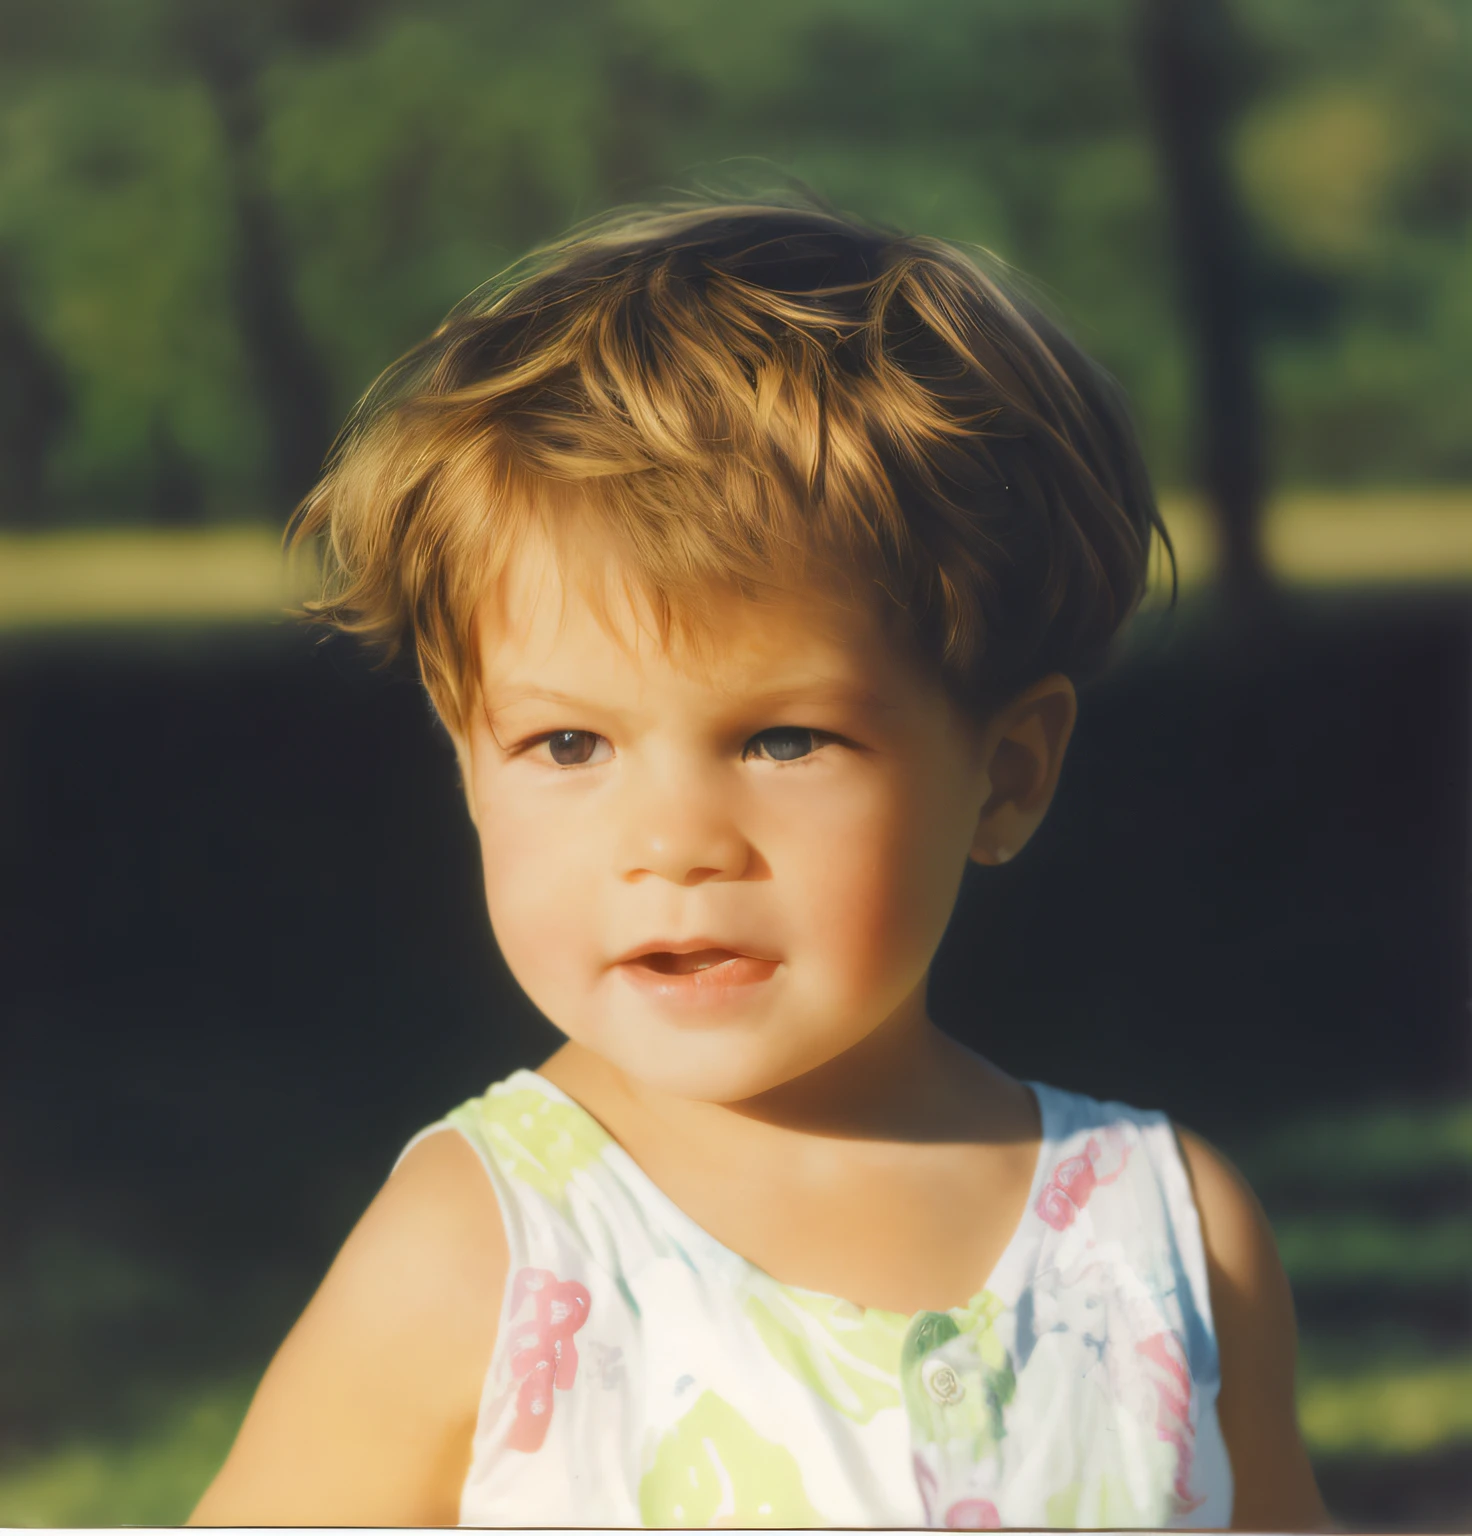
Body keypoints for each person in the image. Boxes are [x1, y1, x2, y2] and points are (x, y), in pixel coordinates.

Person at [189, 197, 1330, 1529]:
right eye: (568, 745)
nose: (674, 842)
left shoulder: (1168, 1240)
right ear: (466, 761)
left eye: (785, 740)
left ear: (1008, 772)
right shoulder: (488, 1254)